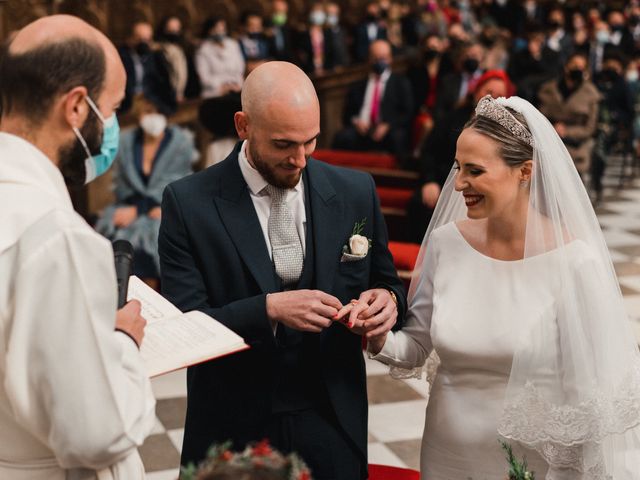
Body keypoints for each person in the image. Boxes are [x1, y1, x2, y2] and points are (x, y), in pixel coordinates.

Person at [368, 94, 640, 478]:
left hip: (532, 462)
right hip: (447, 453)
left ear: (525, 171)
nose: (460, 183)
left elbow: (590, 400)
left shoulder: (574, 263)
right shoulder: (447, 244)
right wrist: (375, 334)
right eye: (458, 167)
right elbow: (415, 347)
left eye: (475, 171)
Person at [158, 61, 406, 480]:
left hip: (332, 416)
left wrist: (387, 302)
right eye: (283, 144)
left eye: (310, 141)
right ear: (243, 126)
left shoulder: (354, 190)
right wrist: (268, 309)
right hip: (232, 422)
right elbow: (186, 327)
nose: (300, 159)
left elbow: (385, 280)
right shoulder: (188, 203)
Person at [0, 14, 156, 479]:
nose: (112, 126)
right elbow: (96, 432)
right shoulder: (56, 236)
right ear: (75, 107)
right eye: (111, 109)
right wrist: (122, 341)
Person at [95, 93, 196, 288]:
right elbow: (123, 187)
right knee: (114, 243)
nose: (154, 117)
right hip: (131, 209)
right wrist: (136, 210)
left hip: (167, 208)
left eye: (159, 112)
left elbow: (178, 182)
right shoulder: (126, 142)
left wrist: (141, 209)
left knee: (157, 244)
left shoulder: (179, 142)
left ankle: (157, 303)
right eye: (149, 112)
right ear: (139, 114)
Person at [406, 69, 512, 243]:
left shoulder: (505, 129)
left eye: (499, 95)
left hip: (485, 187)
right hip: (443, 180)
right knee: (420, 204)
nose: (492, 99)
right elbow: (429, 152)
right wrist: (429, 181)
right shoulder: (452, 118)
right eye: (488, 92)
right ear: (476, 91)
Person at [332, 40, 413, 161]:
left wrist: (388, 125)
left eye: (383, 58)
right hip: (362, 131)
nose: (380, 62)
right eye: (375, 58)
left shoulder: (401, 83)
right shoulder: (358, 85)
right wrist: (356, 122)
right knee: (342, 138)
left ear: (390, 59)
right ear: (369, 59)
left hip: (387, 132)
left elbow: (407, 113)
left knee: (399, 138)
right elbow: (347, 115)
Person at [537, 52, 600, 177]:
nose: (577, 69)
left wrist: (567, 131)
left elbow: (590, 127)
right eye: (574, 65)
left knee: (573, 163)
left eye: (581, 67)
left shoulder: (591, 93)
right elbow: (539, 117)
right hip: (549, 139)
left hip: (576, 144)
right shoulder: (548, 89)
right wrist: (553, 128)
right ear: (566, 66)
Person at [195, 17, 245, 99]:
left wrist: (234, 85)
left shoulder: (233, 45)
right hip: (214, 92)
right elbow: (204, 77)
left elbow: (240, 69)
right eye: (216, 29)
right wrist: (223, 86)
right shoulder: (203, 50)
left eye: (222, 28)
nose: (220, 32)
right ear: (210, 30)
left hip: (236, 87)